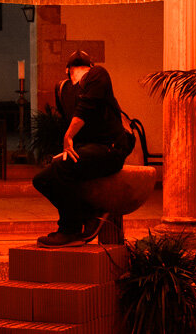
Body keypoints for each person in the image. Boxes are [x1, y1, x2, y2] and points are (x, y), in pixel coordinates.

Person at [32, 50, 135, 247]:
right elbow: (69, 120)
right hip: (86, 148)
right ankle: (88, 214)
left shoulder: (98, 74)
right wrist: (65, 148)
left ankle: (70, 229)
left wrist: (68, 136)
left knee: (63, 167)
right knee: (42, 179)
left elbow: (85, 108)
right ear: (67, 70)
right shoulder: (62, 88)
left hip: (110, 148)